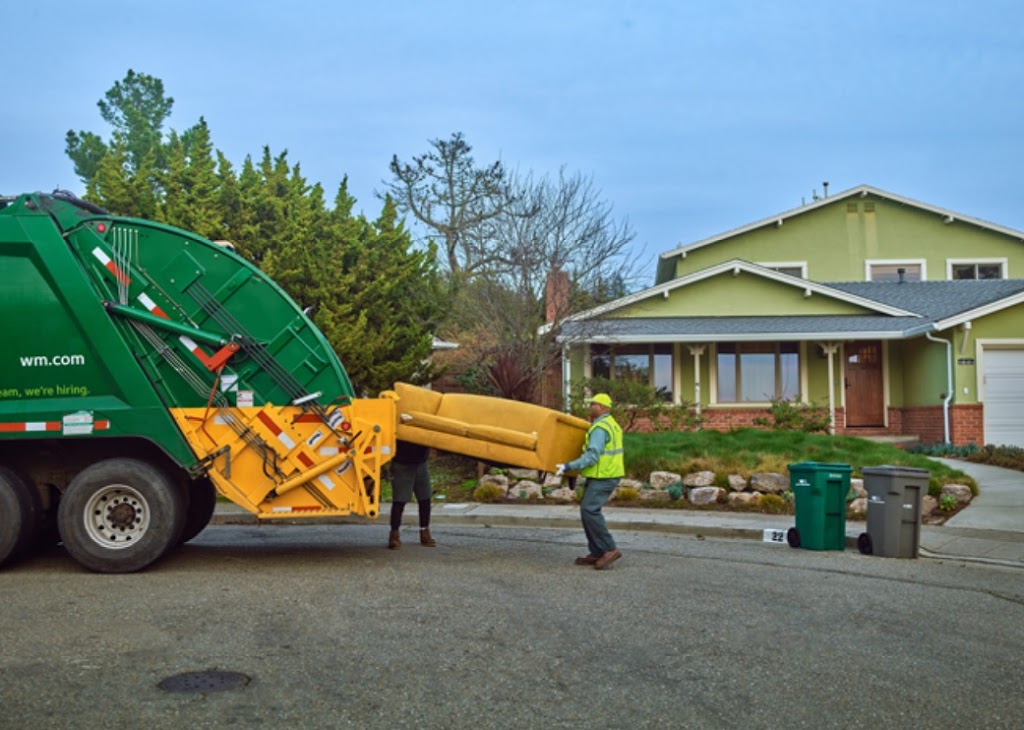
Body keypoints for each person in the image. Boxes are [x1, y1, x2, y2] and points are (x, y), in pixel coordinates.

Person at [555, 393, 624, 570]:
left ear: (601, 407)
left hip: (604, 476)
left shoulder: (600, 428)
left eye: (592, 404)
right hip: (605, 475)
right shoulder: (610, 424)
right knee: (587, 511)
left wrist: (568, 466)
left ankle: (609, 549)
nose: (589, 407)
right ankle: (597, 551)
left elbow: (592, 456)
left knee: (589, 510)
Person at [388, 440, 436, 549]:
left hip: (420, 462)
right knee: (399, 500)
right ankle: (394, 535)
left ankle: (424, 532)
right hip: (402, 463)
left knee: (425, 498)